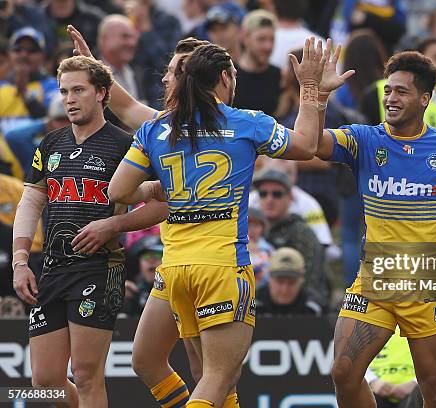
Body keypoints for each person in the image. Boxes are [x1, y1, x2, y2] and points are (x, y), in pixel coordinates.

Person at [107, 38, 351, 407]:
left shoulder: (158, 129)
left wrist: (162, 187)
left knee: (215, 381)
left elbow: (119, 190)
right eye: (233, 75)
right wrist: (312, 91)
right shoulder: (246, 123)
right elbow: (305, 145)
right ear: (224, 76)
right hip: (222, 267)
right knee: (217, 378)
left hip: (174, 269)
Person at [316, 51, 436, 407]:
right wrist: (317, 97)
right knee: (344, 372)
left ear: (425, 99)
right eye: (388, 91)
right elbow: (313, 144)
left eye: (402, 92)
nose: (391, 99)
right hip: (374, 278)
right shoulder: (365, 139)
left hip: (426, 283)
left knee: (434, 388)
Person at [68, 27, 209, 405]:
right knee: (146, 359)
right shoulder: (167, 125)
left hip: (212, 260)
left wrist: (314, 96)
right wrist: (94, 67)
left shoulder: (226, 128)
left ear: (195, 79)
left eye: (174, 72)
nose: (164, 78)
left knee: (206, 371)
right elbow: (127, 108)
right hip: (173, 259)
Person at [12, 55, 132, 407]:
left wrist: (114, 223)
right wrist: (21, 262)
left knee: (86, 373)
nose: (69, 99)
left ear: (101, 94)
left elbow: (161, 200)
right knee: (45, 380)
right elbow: (30, 203)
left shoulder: (124, 145)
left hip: (99, 266)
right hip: (52, 268)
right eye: (65, 91)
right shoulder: (51, 144)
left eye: (79, 90)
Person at [253, 168, 330, 305]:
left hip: (299, 313)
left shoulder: (302, 233)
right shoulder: (250, 233)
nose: (269, 200)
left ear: (290, 198)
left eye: (277, 194)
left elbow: (313, 285)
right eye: (263, 194)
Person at [234, 9, 281, 115]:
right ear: (245, 37)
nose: (268, 46)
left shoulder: (280, 77)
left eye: (272, 39)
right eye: (261, 39)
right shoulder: (229, 75)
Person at [255, 247, 325, 316]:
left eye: (292, 283)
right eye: (280, 282)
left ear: (302, 279)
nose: (284, 290)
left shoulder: (315, 308)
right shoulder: (252, 304)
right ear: (269, 277)